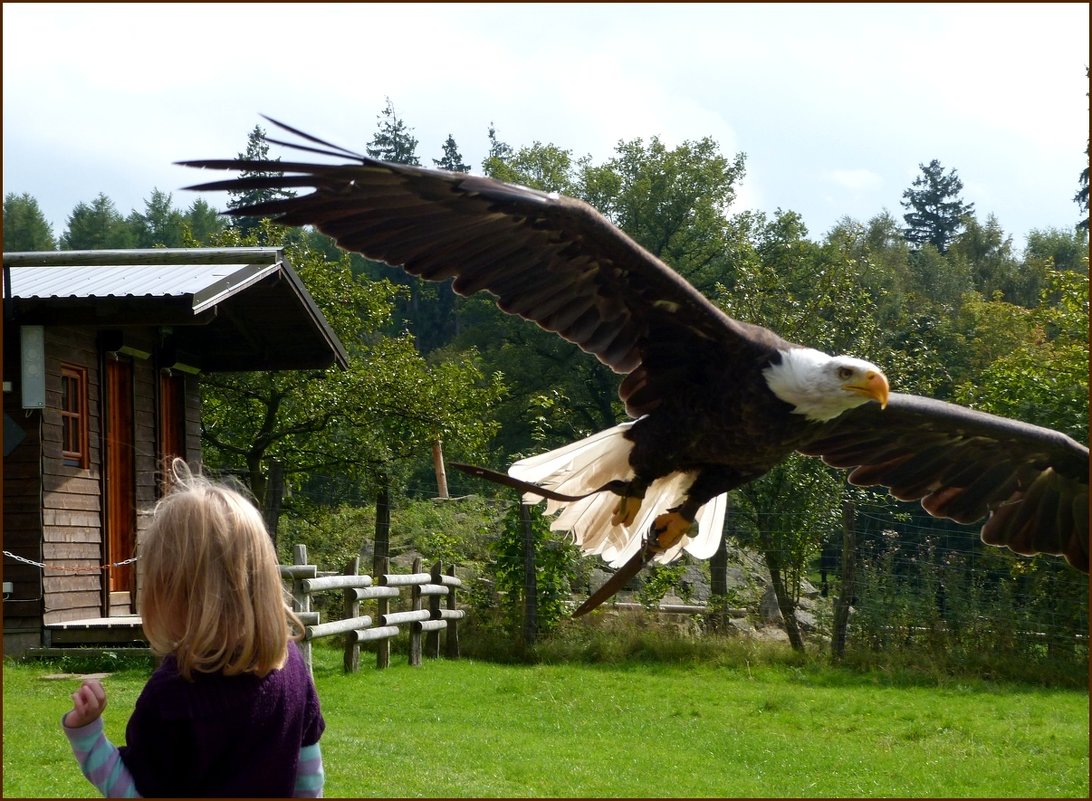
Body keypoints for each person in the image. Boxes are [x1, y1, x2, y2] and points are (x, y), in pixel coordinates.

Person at [61, 460, 326, 797]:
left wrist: (87, 736)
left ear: (173, 591)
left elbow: (135, 792)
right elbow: (308, 776)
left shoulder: (173, 696)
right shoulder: (290, 666)